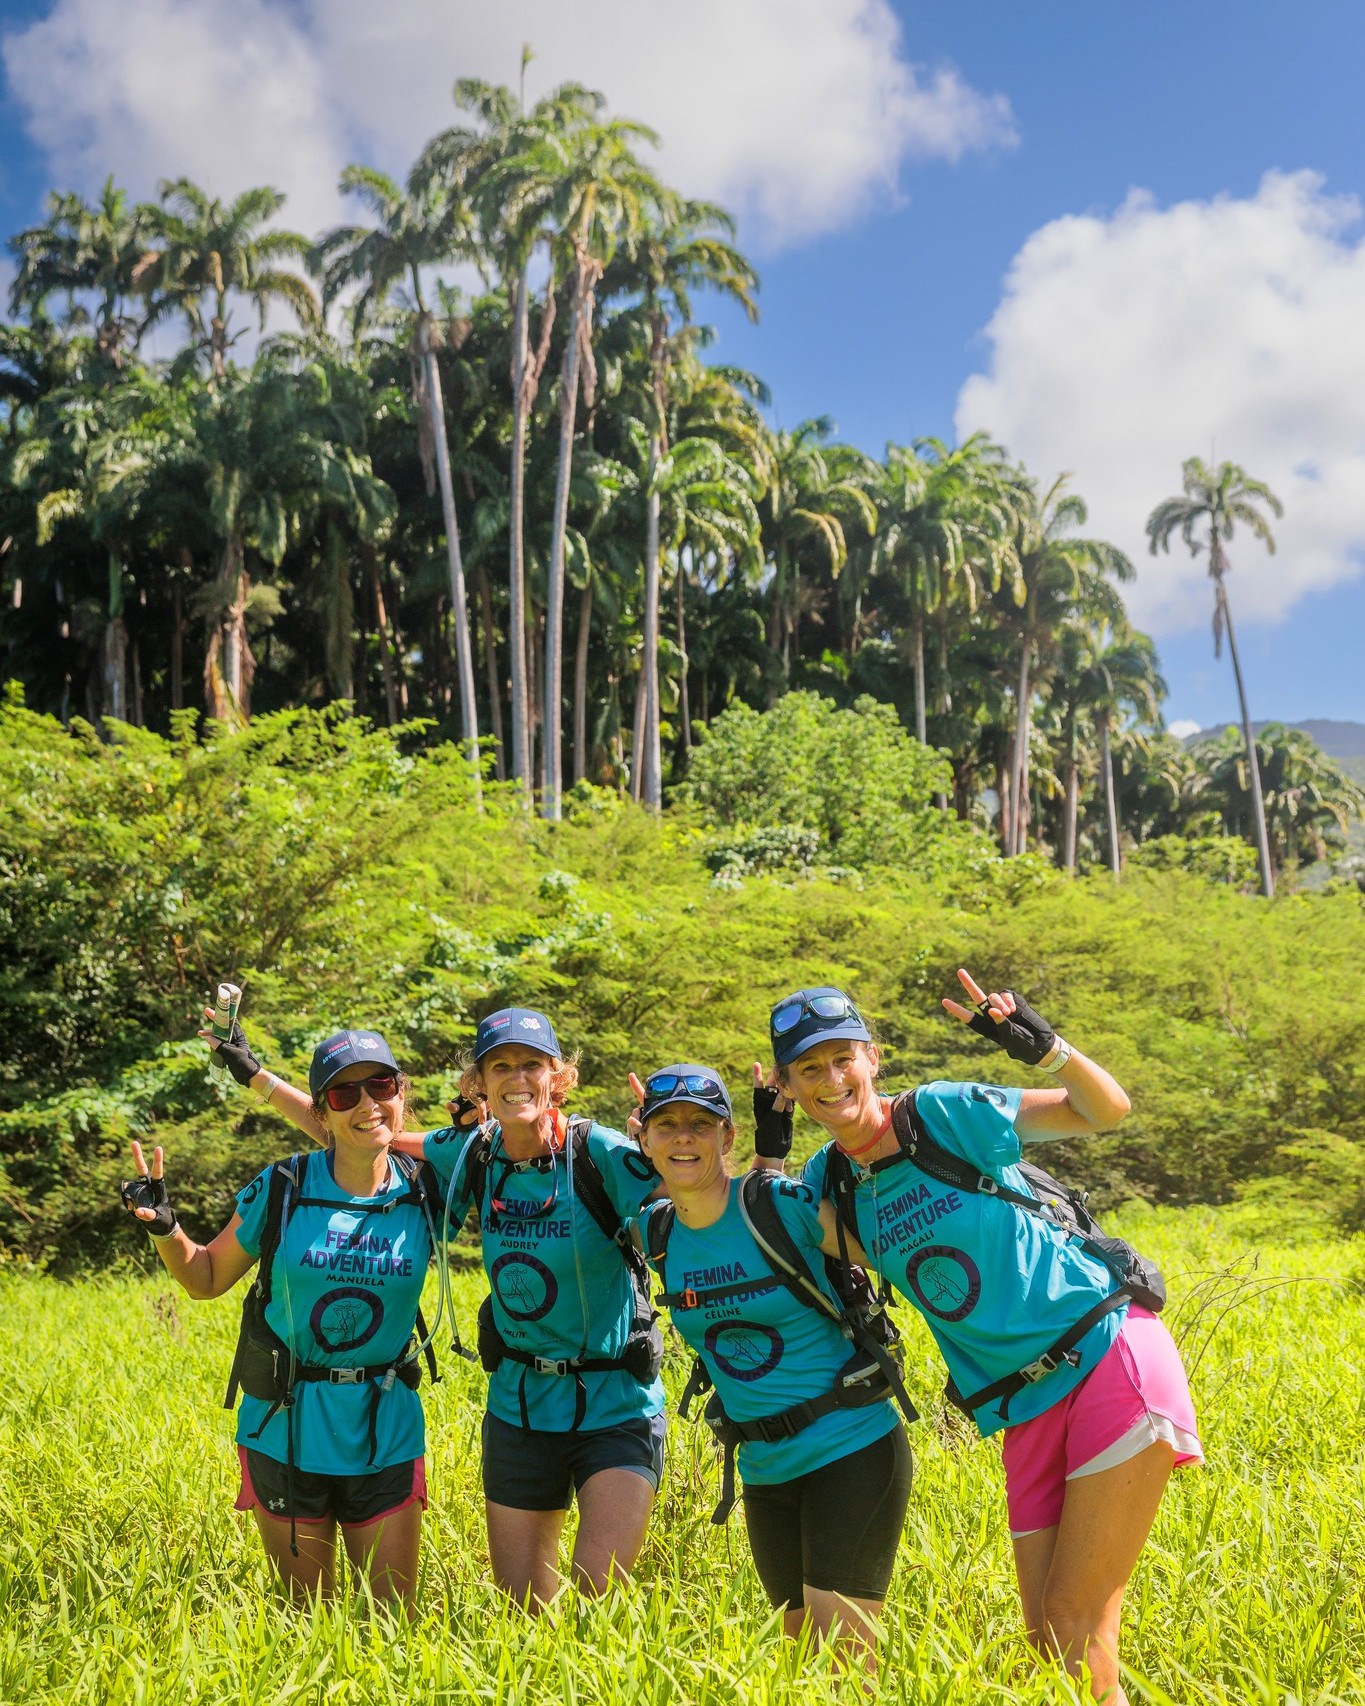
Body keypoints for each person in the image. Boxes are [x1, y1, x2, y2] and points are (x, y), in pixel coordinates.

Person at [771, 975, 1201, 1705]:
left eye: (843, 1057)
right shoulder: (830, 1181)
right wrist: (763, 1149)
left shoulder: (940, 1114)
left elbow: (1104, 1109)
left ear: (873, 1057)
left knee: (1073, 1625)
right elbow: (759, 1232)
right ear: (787, 1086)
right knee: (1051, 1643)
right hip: (1020, 1406)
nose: (831, 1078)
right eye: (808, 1068)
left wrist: (1047, 1050)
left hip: (1104, 1353)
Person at [228, 1006, 666, 1608]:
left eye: (532, 1064)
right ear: (478, 1084)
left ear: (558, 1076)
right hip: (520, 1405)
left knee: (597, 1595)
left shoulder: (601, 1153)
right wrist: (256, 1077)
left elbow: (697, 1205)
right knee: (524, 1608)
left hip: (615, 1399)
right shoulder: (473, 1153)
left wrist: (667, 1142)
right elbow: (357, 1131)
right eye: (501, 1067)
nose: (518, 1078)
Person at [120, 1028, 438, 1608]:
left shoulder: (428, 1189)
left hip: (384, 1428)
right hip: (283, 1427)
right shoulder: (284, 1186)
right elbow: (205, 1278)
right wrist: (166, 1228)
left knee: (392, 1623)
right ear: (321, 1111)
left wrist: (257, 1077)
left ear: (400, 1091)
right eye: (343, 1094)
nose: (367, 1103)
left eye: (380, 1086)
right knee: (305, 1621)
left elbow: (504, 1145)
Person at [632, 1062, 914, 1670]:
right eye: (667, 1125)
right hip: (763, 1469)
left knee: (842, 1666)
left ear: (728, 1136)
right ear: (644, 1138)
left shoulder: (778, 1205)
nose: (684, 1137)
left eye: (701, 1124)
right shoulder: (654, 1233)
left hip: (850, 1447)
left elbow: (892, 1254)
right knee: (798, 1661)